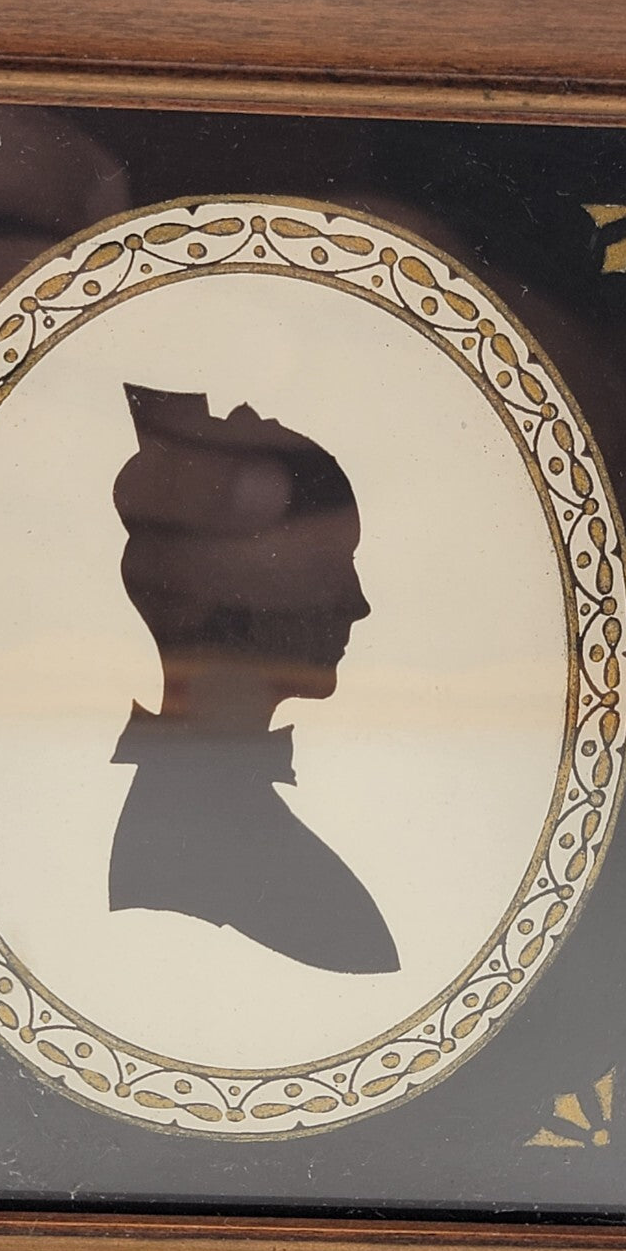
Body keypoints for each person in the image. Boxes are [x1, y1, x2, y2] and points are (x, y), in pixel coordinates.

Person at [108, 383, 399, 975]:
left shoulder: (196, 826)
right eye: (330, 564)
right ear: (236, 589)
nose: (358, 603)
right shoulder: (195, 857)